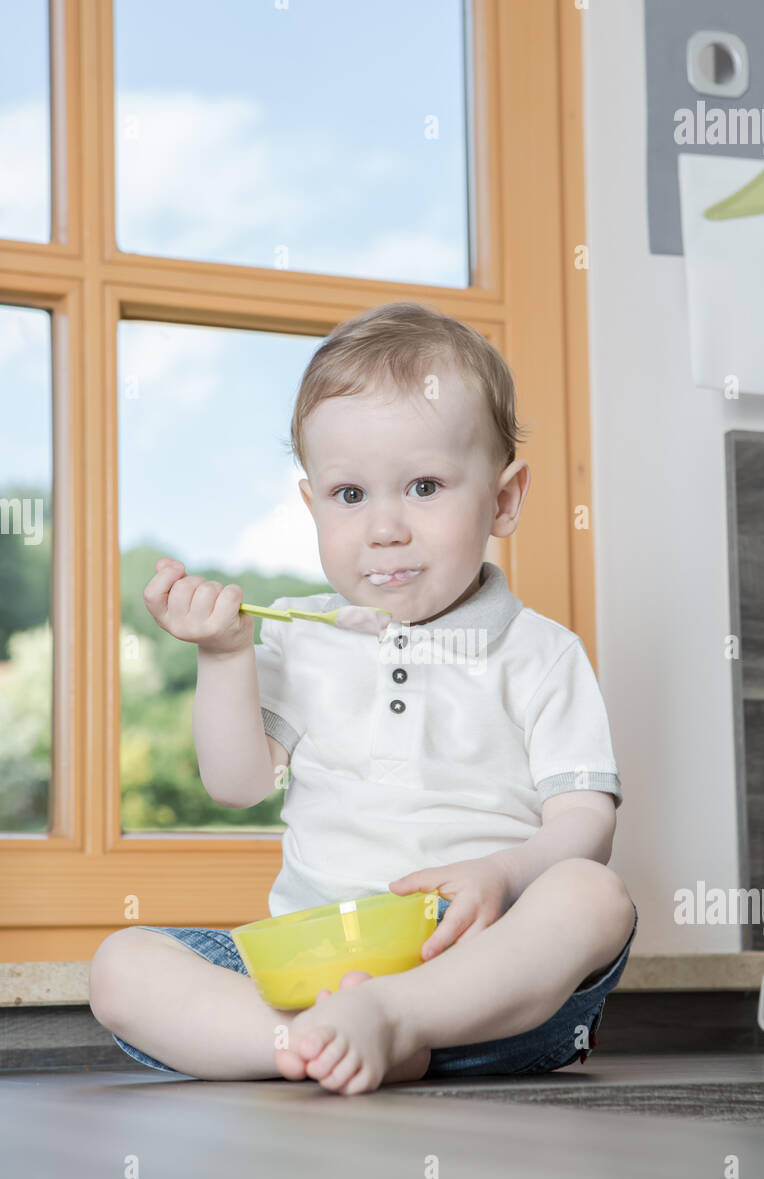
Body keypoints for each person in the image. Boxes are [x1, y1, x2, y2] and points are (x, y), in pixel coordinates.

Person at [90, 300, 638, 1095]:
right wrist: (221, 655)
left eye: (423, 486)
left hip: (484, 981)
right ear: (312, 507)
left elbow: (586, 823)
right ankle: (304, 1040)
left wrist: (505, 873)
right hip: (311, 968)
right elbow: (237, 784)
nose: (384, 528)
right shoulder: (300, 636)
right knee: (121, 966)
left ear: (505, 498)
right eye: (350, 496)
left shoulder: (541, 653)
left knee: (593, 895)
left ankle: (399, 1020)